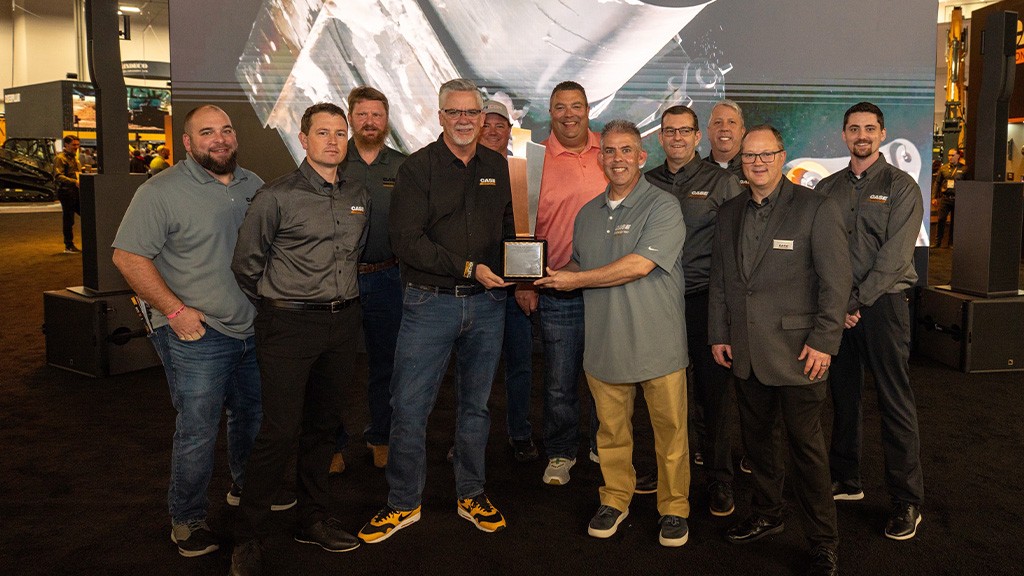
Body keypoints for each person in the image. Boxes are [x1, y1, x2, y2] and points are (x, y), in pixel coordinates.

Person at [111, 105, 277, 558]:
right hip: (195, 333)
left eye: (226, 130)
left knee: (252, 417)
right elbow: (127, 257)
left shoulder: (254, 184)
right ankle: (187, 519)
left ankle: (245, 489)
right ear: (187, 143)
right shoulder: (159, 191)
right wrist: (175, 310)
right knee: (198, 430)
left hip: (250, 328)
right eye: (207, 132)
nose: (219, 139)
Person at [357, 79, 514, 544]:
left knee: (476, 407)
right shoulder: (417, 169)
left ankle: (471, 493)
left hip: (488, 305)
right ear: (440, 115)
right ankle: (403, 502)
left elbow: (510, 228)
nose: (464, 120)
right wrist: (471, 267)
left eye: (472, 113)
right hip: (429, 302)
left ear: (483, 117)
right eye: (455, 112)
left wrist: (521, 266)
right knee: (408, 406)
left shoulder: (498, 167)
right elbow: (408, 242)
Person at [537, 119, 690, 547]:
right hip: (604, 344)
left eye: (627, 150)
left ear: (642, 157)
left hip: (658, 344)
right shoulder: (587, 215)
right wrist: (544, 275)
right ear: (599, 157)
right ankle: (616, 498)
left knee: (671, 434)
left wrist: (576, 281)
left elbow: (639, 265)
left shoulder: (663, 206)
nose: (618, 158)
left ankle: (674, 507)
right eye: (609, 151)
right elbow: (579, 268)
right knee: (610, 434)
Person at [229, 102, 368, 573]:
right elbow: (246, 264)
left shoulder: (357, 194)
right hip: (287, 325)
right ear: (303, 139)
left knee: (324, 427)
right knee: (280, 430)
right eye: (322, 132)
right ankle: (247, 536)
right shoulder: (276, 196)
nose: (333, 141)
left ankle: (313, 520)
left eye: (340, 133)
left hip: (342, 324)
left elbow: (355, 256)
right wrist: (278, 305)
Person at [709, 125, 850, 576]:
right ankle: (768, 514)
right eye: (750, 156)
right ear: (741, 162)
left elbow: (836, 283)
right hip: (746, 352)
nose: (758, 162)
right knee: (758, 445)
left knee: (807, 451)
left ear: (782, 157)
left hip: (799, 354)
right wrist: (719, 333)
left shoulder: (816, 208)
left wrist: (825, 342)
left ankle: (823, 541)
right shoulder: (729, 211)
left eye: (766, 155)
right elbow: (722, 282)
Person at [817, 102, 926, 541]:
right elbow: (820, 250)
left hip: (883, 306)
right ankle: (846, 478)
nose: (861, 135)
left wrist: (856, 300)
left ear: (882, 135)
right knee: (842, 397)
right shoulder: (825, 188)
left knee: (893, 401)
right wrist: (838, 303)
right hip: (837, 308)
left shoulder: (902, 188)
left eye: (869, 128)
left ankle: (906, 500)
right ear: (843, 135)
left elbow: (896, 256)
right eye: (853, 128)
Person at [645, 104, 743, 517]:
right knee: (660, 393)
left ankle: (720, 479)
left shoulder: (722, 183)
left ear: (697, 136)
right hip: (655, 301)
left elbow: (741, 245)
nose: (677, 138)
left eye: (685, 131)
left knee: (713, 396)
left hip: (704, 301)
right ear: (660, 137)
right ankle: (666, 472)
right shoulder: (645, 182)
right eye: (670, 131)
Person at [519, 80, 607, 486]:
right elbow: (522, 229)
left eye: (577, 106)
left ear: (589, 109)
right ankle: (560, 451)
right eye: (560, 107)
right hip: (558, 287)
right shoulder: (533, 161)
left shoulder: (611, 150)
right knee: (560, 380)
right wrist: (525, 283)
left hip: (610, 288)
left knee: (609, 375)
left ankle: (603, 445)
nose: (569, 114)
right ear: (550, 113)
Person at [329, 86, 407, 474]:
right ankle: (334, 443)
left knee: (386, 366)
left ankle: (381, 436)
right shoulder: (333, 163)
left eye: (377, 115)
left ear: (386, 120)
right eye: (362, 115)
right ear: (350, 118)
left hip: (388, 278)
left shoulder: (403, 166)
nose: (370, 122)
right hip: (338, 280)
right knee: (335, 367)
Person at [478, 98, 539, 462]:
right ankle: (469, 439)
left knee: (519, 364)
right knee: (475, 369)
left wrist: (525, 282)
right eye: (486, 123)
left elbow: (526, 231)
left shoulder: (521, 171)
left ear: (509, 130)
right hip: (474, 288)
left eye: (500, 124)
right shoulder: (462, 170)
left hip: (514, 287)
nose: (492, 130)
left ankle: (519, 433)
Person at [704, 99, 747, 184]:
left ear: (742, 131)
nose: (724, 128)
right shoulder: (695, 172)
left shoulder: (754, 169)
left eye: (731, 122)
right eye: (718, 122)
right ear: (708, 132)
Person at [53, 135, 82, 253]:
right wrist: (74, 182)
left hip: (76, 191)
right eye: (74, 145)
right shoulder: (60, 158)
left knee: (87, 215)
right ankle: (68, 245)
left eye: (77, 145)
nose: (76, 147)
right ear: (66, 145)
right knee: (69, 219)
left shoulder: (75, 158)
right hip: (66, 192)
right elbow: (58, 176)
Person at [931, 147, 963, 248]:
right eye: (949, 155)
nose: (950, 157)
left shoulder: (963, 169)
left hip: (957, 198)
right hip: (945, 197)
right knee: (940, 219)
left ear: (958, 156)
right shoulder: (943, 168)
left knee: (954, 222)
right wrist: (934, 197)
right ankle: (937, 242)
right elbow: (937, 183)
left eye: (952, 155)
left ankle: (951, 243)